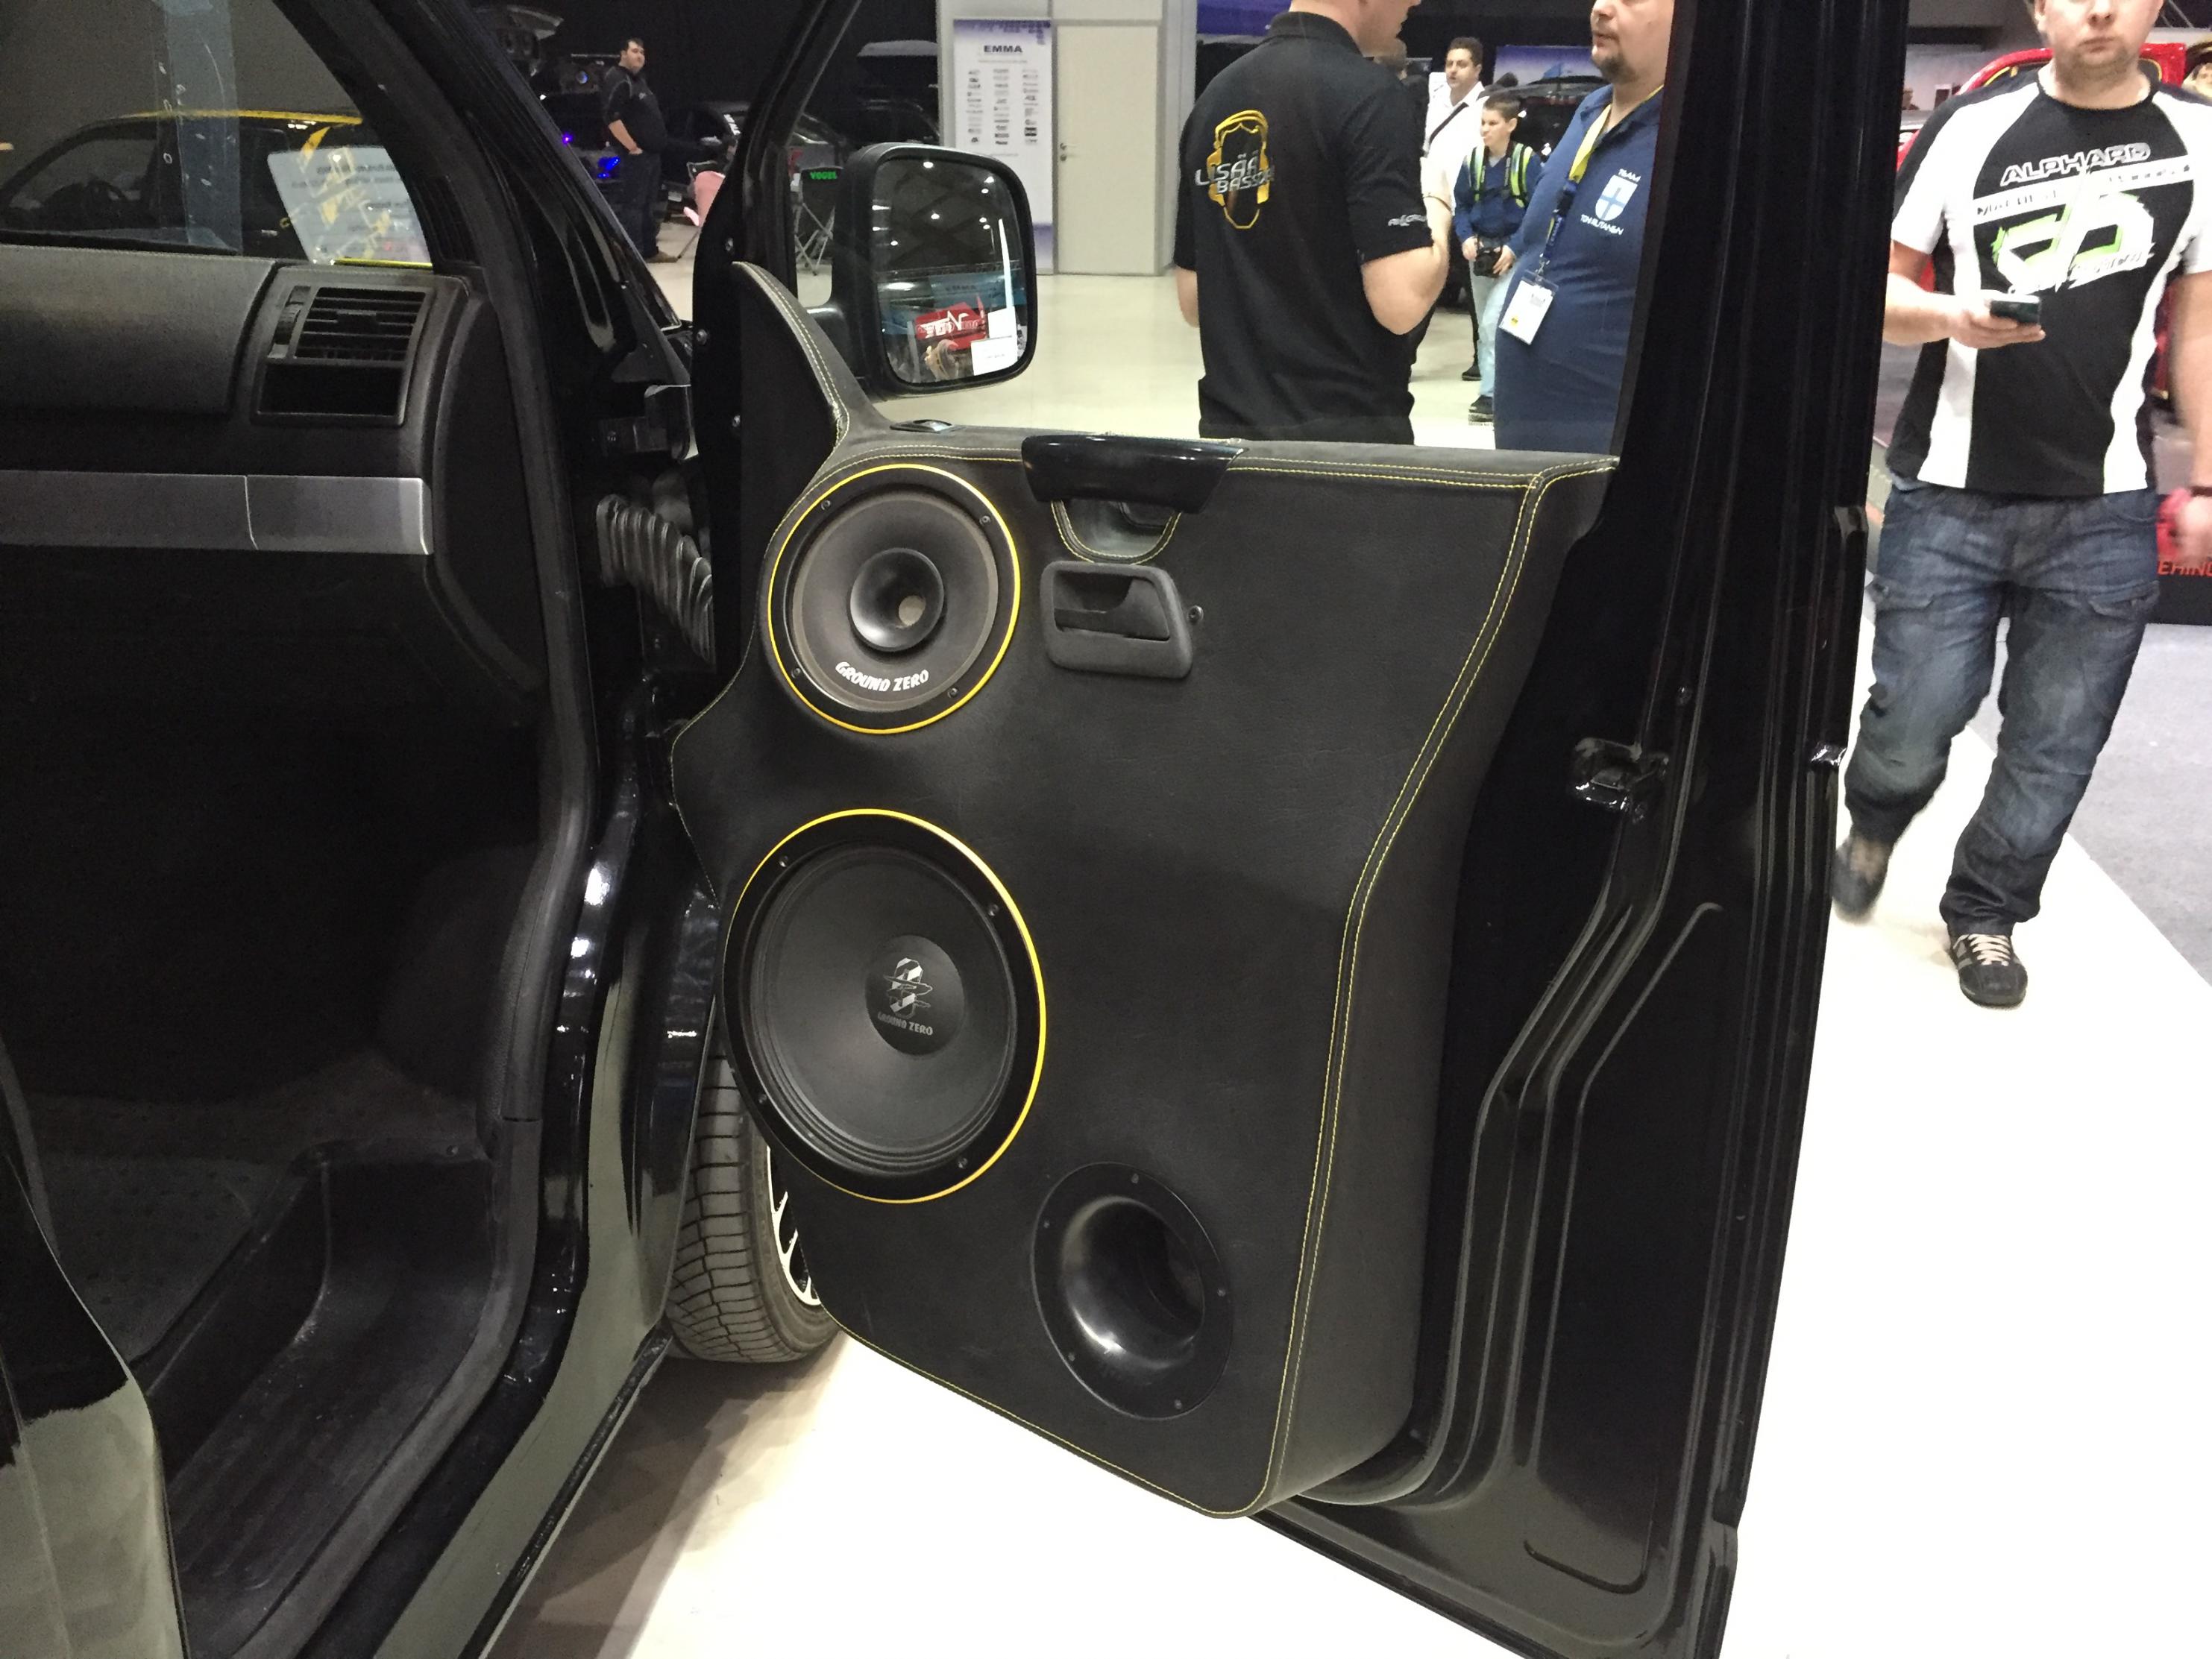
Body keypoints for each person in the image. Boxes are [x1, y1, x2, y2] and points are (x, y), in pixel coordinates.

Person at [1832, 0, 2212, 1008]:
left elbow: (2200, 326)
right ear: (2039, 7)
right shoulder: (1970, 126)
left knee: (2055, 744)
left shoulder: (2198, 139)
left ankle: (1986, 911)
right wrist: (1947, 313)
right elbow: (1872, 288)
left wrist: (2207, 478)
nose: (2099, 8)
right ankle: (1875, 817)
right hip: (1947, 494)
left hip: (2106, 506)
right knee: (1911, 722)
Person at [1172, 0, 1454, 444]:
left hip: (1230, 440)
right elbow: (1401, 302)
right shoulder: (1371, 97)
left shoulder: (1215, 101)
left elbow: (1194, 302)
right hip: (1345, 446)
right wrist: (1437, 205)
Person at [1489, 0, 1673, 453]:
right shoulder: (1591, 109)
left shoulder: (1693, 137)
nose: (1600, 8)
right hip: (1525, 447)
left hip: (1613, 460)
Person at [1454, 94, 1536, 416]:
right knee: (1485, 326)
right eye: (1483, 123)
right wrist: (1466, 237)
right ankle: (1496, 392)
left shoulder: (1527, 162)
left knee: (1493, 324)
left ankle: (1492, 395)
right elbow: (1462, 205)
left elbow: (1539, 210)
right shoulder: (1473, 161)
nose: (1485, 129)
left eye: (1493, 123)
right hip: (1481, 254)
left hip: (1515, 255)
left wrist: (1515, 248)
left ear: (1511, 125)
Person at [1423, 37, 1489, 371]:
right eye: (1449, 63)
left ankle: (1482, 358)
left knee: (1474, 287)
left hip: (1468, 206)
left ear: (1477, 69)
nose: (1453, 70)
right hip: (1435, 202)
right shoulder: (1436, 101)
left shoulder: (1486, 107)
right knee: (1425, 277)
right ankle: (1404, 357)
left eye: (1461, 64)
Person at [603, 37, 673, 261]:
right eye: (635, 51)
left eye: (642, 52)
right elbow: (612, 118)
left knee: (647, 206)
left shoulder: (639, 81)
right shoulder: (618, 79)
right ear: (623, 54)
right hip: (636, 157)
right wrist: (632, 147)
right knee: (633, 206)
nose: (640, 56)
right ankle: (635, 256)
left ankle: (650, 251)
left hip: (651, 155)